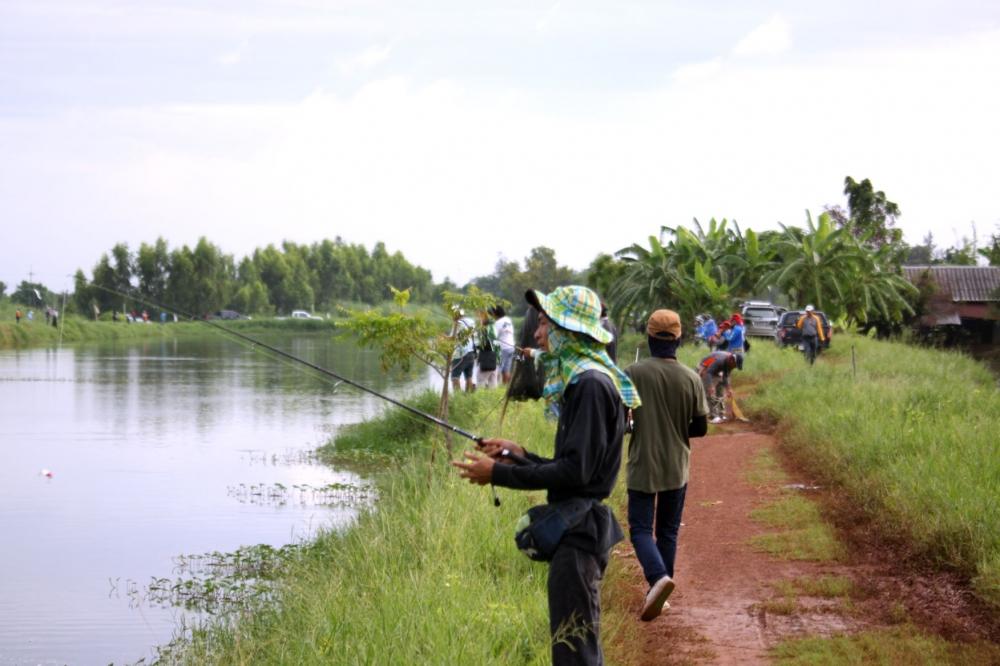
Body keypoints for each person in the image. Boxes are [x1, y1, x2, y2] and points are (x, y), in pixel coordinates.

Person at [453, 285, 641, 665]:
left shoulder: (590, 385)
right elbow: (576, 466)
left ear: (568, 329)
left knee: (575, 652)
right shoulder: (588, 381)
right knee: (574, 645)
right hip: (578, 529)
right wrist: (518, 456)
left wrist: (498, 476)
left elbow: (576, 471)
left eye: (543, 324)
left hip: (579, 536)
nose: (537, 334)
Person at [625, 309, 709, 621]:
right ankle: (662, 589)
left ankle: (657, 579)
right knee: (668, 531)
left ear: (648, 338)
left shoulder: (632, 374)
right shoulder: (691, 378)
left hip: (643, 464)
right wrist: (675, 428)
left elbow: (620, 420)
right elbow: (700, 428)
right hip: (677, 465)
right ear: (679, 339)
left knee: (641, 529)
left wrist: (637, 425)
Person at [698, 350, 737, 423]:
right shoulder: (718, 359)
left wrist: (728, 389)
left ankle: (721, 414)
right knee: (709, 393)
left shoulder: (731, 362)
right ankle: (712, 416)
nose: (734, 367)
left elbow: (726, 376)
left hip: (717, 370)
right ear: (731, 361)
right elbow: (708, 371)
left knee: (720, 391)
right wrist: (710, 386)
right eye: (734, 365)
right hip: (706, 368)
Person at [450, 309, 477, 393]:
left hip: (460, 354)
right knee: (468, 376)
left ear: (455, 315)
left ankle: (458, 397)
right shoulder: (471, 321)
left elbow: (452, 338)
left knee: (455, 376)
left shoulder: (458, 324)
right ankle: (468, 396)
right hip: (471, 352)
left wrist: (442, 337)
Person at [475, 310, 500, 389]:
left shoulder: (485, 328)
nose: (479, 318)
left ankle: (480, 399)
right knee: (493, 381)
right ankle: (493, 399)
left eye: (480, 316)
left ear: (485, 317)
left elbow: (483, 344)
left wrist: (476, 347)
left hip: (487, 358)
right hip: (495, 358)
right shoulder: (494, 326)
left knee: (480, 379)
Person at [491, 305, 516, 385]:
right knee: (506, 369)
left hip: (503, 348)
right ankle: (506, 387)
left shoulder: (497, 323)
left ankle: (495, 387)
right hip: (511, 346)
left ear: (495, 313)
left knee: (498, 369)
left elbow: (494, 336)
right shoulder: (508, 320)